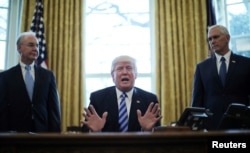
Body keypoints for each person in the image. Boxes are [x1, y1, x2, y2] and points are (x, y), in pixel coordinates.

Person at [191, 25, 250, 130]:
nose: (212, 41)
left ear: (227, 38)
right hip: (211, 126)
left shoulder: (245, 64)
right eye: (210, 39)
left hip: (241, 124)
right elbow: (197, 101)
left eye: (216, 37)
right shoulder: (202, 67)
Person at [81, 55, 162, 132]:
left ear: (136, 75)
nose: (125, 72)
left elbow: (159, 133)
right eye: (119, 69)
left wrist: (148, 130)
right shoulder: (98, 98)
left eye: (129, 68)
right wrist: (95, 131)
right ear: (113, 76)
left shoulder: (149, 99)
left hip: (138, 146)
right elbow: (85, 131)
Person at [0, 31, 61, 132]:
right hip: (15, 134)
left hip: (42, 132)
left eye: (37, 45)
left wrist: (55, 135)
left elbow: (53, 108)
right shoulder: (6, 77)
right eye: (31, 45)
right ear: (19, 48)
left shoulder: (48, 76)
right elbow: (2, 109)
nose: (35, 49)